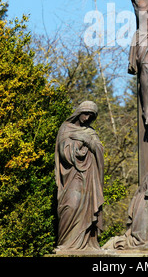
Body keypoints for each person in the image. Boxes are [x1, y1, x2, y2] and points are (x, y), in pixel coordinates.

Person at [54, 101, 104, 252]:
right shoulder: (66, 128)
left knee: (87, 208)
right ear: (79, 112)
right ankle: (66, 243)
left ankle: (86, 243)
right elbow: (64, 152)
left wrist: (90, 143)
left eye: (92, 116)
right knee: (70, 205)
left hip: (89, 177)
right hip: (71, 175)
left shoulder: (91, 132)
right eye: (86, 113)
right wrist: (80, 144)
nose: (88, 118)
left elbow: (99, 150)